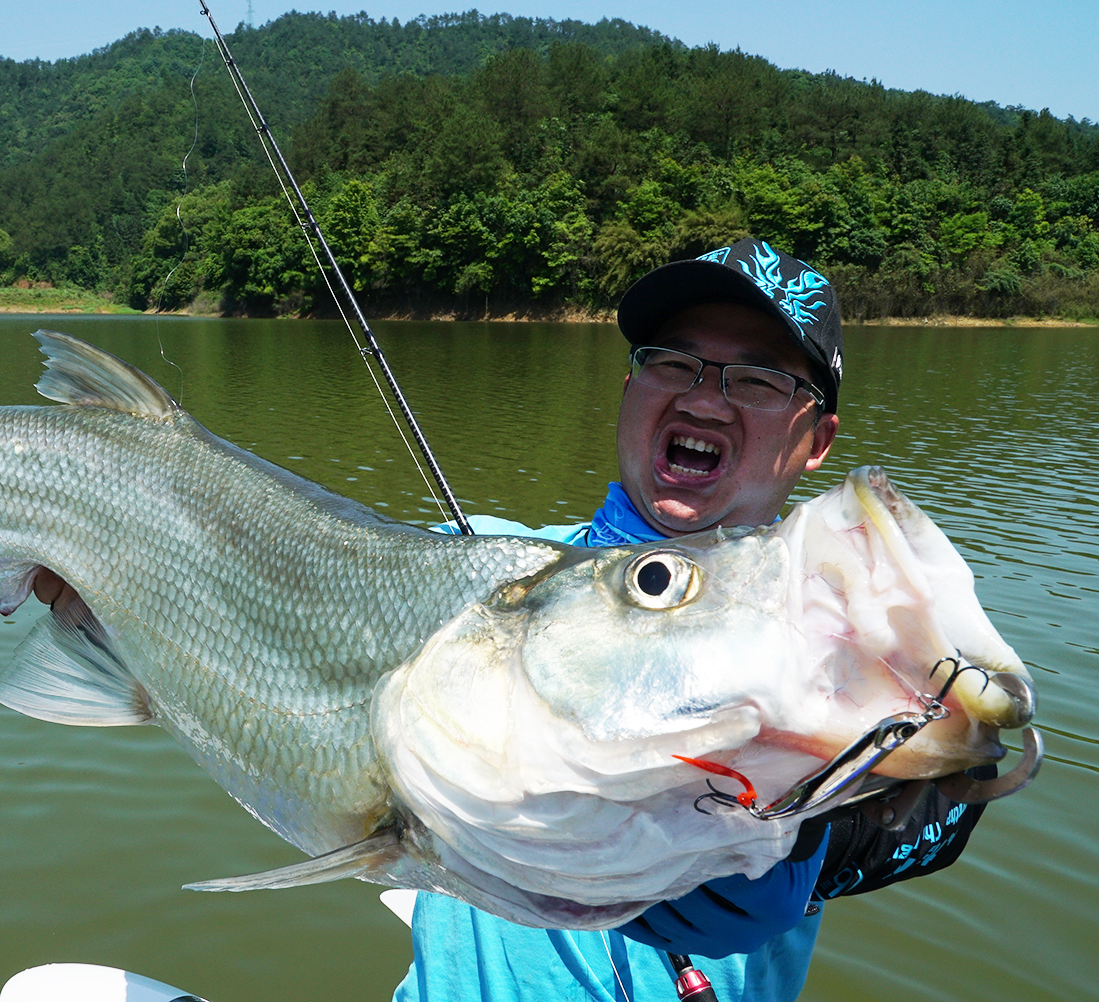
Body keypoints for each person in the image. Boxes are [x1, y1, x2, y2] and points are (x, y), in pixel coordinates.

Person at [395, 238, 989, 1002]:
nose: (704, 399)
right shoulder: (472, 573)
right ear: (630, 387)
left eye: (760, 378)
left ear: (819, 441)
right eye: (672, 363)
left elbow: (960, 791)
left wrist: (815, 838)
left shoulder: (856, 651)